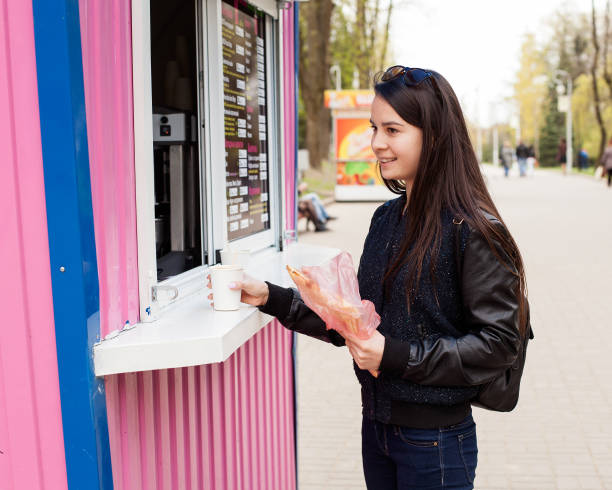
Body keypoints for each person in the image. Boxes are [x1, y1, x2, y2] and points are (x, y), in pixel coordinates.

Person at [208, 65, 530, 489]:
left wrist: (395, 356)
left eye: (392, 130)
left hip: (435, 443)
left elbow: (499, 343)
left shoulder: (472, 229)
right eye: (374, 128)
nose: (376, 143)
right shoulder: (386, 219)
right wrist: (270, 296)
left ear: (433, 136)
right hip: (377, 429)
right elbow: (356, 322)